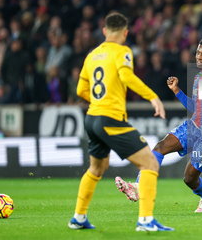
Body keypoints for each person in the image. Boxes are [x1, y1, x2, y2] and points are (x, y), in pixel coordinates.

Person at [68, 13, 174, 232]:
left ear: (105, 31)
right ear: (125, 33)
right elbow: (126, 77)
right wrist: (153, 97)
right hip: (110, 118)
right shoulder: (123, 51)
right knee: (150, 164)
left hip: (92, 118)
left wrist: (98, 100)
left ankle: (78, 217)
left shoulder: (92, 55)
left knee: (97, 168)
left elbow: (80, 90)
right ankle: (145, 221)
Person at [115, 38, 202, 212]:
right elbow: (195, 108)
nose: (199, 56)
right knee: (160, 147)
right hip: (194, 126)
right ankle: (138, 187)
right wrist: (177, 92)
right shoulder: (199, 77)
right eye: (198, 52)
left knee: (189, 178)